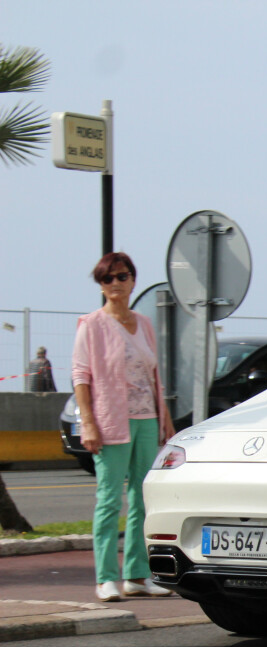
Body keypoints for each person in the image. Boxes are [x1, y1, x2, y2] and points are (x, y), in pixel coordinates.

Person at [71, 251, 175, 602]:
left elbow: (153, 375)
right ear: (101, 285)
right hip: (110, 422)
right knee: (109, 501)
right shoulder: (92, 325)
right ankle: (106, 577)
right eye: (107, 278)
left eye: (121, 276)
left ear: (133, 280)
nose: (115, 283)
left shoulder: (144, 323)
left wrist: (166, 420)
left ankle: (137, 574)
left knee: (143, 500)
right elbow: (81, 377)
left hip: (147, 419)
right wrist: (88, 422)